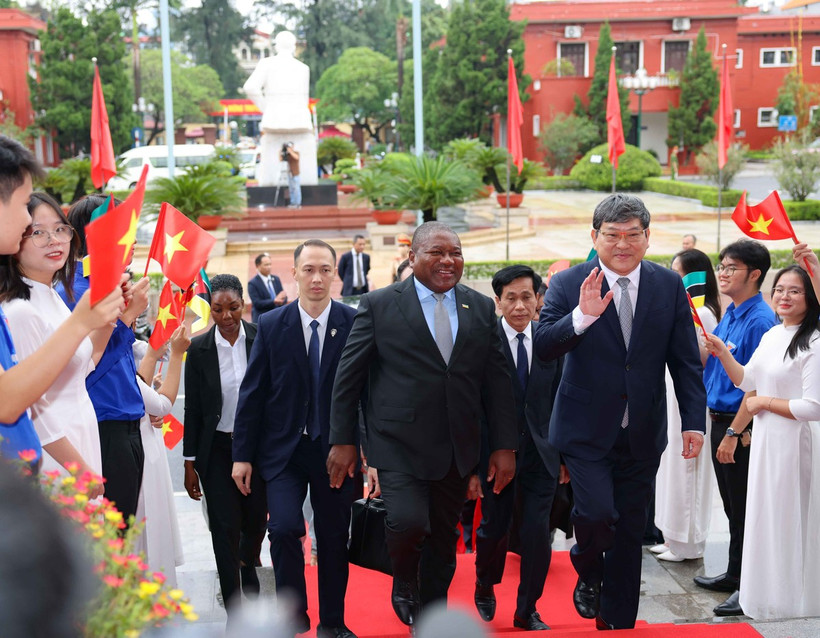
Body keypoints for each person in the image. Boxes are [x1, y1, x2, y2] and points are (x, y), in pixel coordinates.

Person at [327, 221, 518, 628]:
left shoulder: (481, 307)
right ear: (412, 257)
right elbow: (349, 378)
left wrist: (504, 446)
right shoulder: (379, 304)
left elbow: (498, 382)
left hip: (456, 445)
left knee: (444, 538)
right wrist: (343, 440)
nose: (449, 261)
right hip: (397, 442)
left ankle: (432, 618)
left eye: (456, 252)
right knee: (409, 521)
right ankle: (404, 579)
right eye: (437, 252)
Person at [534, 193, 706, 630]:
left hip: (644, 431)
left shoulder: (668, 285)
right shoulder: (569, 282)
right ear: (595, 237)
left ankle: (618, 624)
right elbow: (544, 346)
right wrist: (581, 317)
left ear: (648, 238)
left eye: (633, 235)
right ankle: (587, 569)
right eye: (612, 235)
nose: (623, 244)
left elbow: (684, 360)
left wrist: (693, 423)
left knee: (630, 534)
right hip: (585, 430)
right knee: (595, 514)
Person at [233, 240, 358, 638]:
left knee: (335, 535)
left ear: (335, 274)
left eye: (325, 269)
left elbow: (367, 393)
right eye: (309, 270)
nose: (317, 278)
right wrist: (242, 455)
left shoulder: (354, 323)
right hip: (284, 450)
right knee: (285, 528)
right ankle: (293, 616)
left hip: (337, 451)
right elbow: (252, 393)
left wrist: (366, 452)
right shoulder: (272, 324)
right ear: (295, 274)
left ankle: (333, 623)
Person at [703, 264, 820, 620]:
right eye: (780, 289)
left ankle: (796, 598)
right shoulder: (773, 335)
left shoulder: (814, 340)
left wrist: (763, 403)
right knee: (764, 517)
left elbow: (812, 407)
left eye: (795, 291)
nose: (784, 297)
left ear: (811, 296)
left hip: (795, 443)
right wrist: (723, 353)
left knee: (790, 519)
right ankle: (766, 592)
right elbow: (745, 380)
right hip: (767, 441)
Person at [0, 135, 122, 471]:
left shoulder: (51, 295)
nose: (53, 239)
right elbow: (27, 403)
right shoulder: (19, 310)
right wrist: (79, 469)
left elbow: (82, 365)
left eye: (60, 229)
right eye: (37, 231)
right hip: (56, 454)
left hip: (81, 432)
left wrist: (108, 319)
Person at [473, 265, 562, 631]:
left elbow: (562, 399)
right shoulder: (481, 342)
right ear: (498, 301)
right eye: (511, 297)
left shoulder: (550, 341)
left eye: (527, 297)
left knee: (537, 533)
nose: (520, 305)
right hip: (497, 457)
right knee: (494, 528)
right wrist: (474, 466)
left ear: (538, 299)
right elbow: (473, 408)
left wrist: (565, 456)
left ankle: (528, 608)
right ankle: (484, 583)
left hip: (542, 456)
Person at [694, 240, 776, 616]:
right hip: (718, 419)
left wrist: (733, 433)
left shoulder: (760, 320)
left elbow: (757, 385)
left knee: (745, 508)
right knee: (731, 506)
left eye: (731, 268)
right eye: (721, 266)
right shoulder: (733, 311)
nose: (722, 274)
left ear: (754, 274)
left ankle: (748, 586)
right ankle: (734, 573)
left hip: (738, 426)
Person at [58, 195, 150, 525]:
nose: (133, 241)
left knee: (122, 529)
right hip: (100, 425)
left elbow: (123, 359)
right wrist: (127, 319)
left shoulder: (112, 285)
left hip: (127, 422)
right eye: (122, 231)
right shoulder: (74, 292)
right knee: (107, 534)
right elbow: (83, 363)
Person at [183, 274, 267, 615]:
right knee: (223, 525)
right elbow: (193, 409)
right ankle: (233, 600)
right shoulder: (200, 350)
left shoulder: (263, 339)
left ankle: (248, 562)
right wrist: (189, 461)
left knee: (256, 522)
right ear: (210, 310)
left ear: (244, 304)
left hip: (258, 449)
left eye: (233, 307)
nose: (227, 317)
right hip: (215, 450)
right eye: (218, 310)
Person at [652, 249, 720, 562]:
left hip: (689, 399)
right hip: (671, 395)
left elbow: (699, 359)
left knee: (687, 469)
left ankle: (688, 543)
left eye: (677, 271)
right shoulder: (685, 308)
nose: (672, 277)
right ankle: (672, 536)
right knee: (672, 469)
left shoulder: (702, 313)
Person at [133, 326, 190, 587]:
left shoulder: (125, 346)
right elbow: (161, 404)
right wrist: (175, 355)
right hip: (136, 449)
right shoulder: (117, 351)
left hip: (141, 443)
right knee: (146, 533)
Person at [248, 253, 287, 323]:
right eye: (266, 265)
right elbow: (257, 303)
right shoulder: (252, 283)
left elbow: (283, 297)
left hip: (278, 317)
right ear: (258, 266)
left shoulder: (276, 279)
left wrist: (282, 299)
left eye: (270, 264)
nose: (269, 267)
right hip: (262, 319)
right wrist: (274, 301)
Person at [282, 142, 302, 208]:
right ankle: (293, 203)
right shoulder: (287, 155)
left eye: (290, 146)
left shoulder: (296, 152)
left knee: (296, 189)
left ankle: (298, 203)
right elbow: (281, 159)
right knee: (291, 189)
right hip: (289, 174)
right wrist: (281, 151)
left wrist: (290, 151)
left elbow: (296, 158)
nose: (289, 148)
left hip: (295, 174)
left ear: (293, 146)